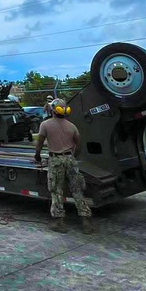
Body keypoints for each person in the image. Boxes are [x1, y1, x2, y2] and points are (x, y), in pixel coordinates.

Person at [33, 98, 93, 234]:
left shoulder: (45, 125)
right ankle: (86, 221)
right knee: (77, 189)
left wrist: (37, 156)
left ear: (53, 110)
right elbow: (79, 144)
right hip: (70, 159)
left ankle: (59, 222)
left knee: (56, 190)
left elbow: (40, 143)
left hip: (55, 160)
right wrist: (72, 156)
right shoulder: (72, 126)